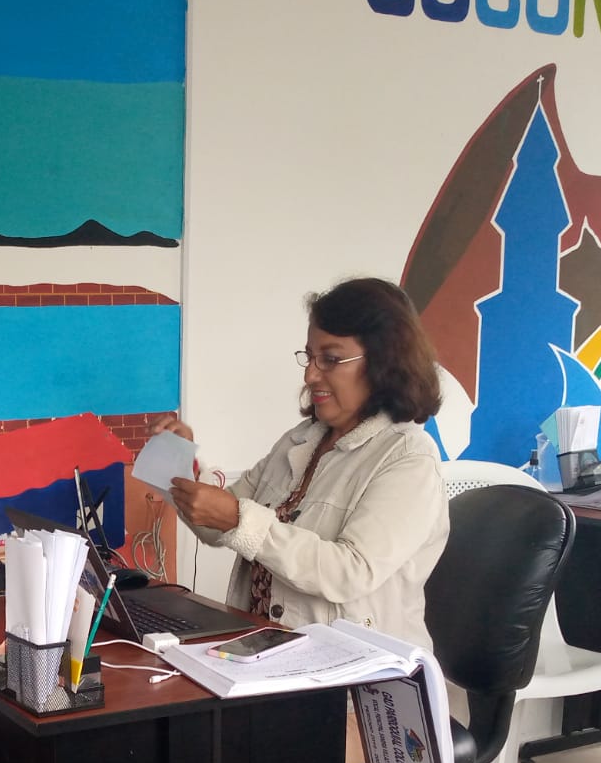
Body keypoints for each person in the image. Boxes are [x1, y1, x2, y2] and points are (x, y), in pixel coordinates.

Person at [154, 277, 448, 650]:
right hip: (267, 655)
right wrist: (183, 465)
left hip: (354, 672)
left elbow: (350, 573)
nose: (310, 374)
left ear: (385, 362)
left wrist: (239, 520)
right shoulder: (301, 440)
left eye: (331, 359)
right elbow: (216, 525)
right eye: (309, 357)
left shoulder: (409, 457)